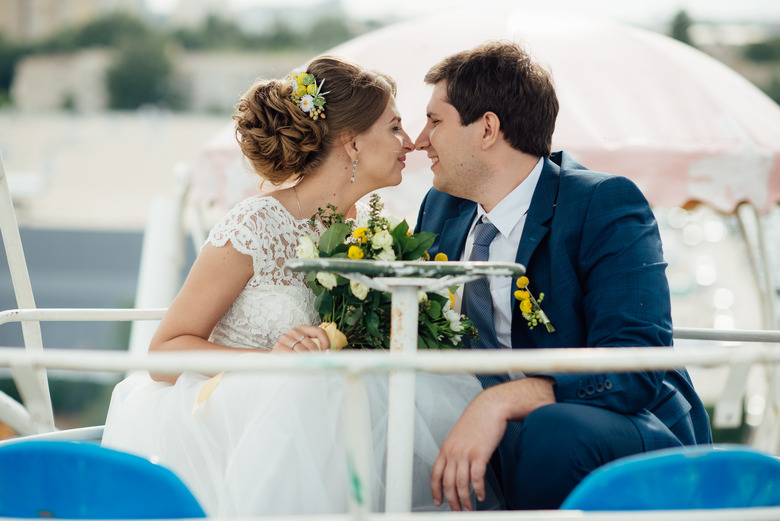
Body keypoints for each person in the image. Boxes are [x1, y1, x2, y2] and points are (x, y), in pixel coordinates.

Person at [102, 56, 493, 515]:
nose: (409, 143)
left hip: (328, 425)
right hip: (236, 425)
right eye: (393, 127)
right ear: (351, 144)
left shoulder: (366, 235)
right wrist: (273, 365)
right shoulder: (256, 225)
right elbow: (164, 353)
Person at [413, 40, 712, 511]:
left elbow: (636, 366)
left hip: (614, 422)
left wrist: (502, 401)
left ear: (487, 128)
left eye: (435, 121)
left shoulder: (602, 203)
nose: (419, 139)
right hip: (487, 428)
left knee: (553, 430)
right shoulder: (440, 207)